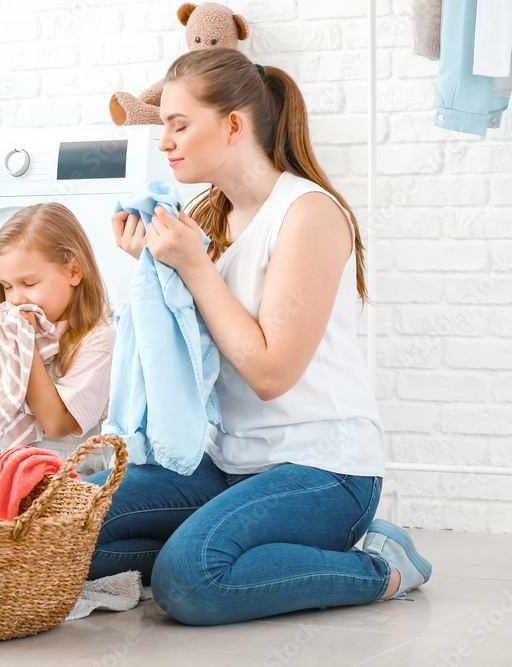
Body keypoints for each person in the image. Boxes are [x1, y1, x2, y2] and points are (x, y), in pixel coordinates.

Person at [86, 48, 431, 626]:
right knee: (66, 527)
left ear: (234, 125)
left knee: (190, 581)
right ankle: (232, 546)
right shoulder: (211, 216)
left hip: (324, 470)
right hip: (227, 461)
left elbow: (271, 373)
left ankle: (381, 565)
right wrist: (155, 265)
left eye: (179, 125)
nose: (165, 142)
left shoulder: (308, 214)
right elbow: (193, 348)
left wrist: (194, 268)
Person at [0, 202, 117, 475]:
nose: (15, 299)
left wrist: (26, 347)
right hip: (18, 473)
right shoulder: (11, 331)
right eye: (7, 287)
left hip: (73, 482)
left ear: (73, 272)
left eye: (29, 284)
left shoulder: (98, 340)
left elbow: (57, 424)